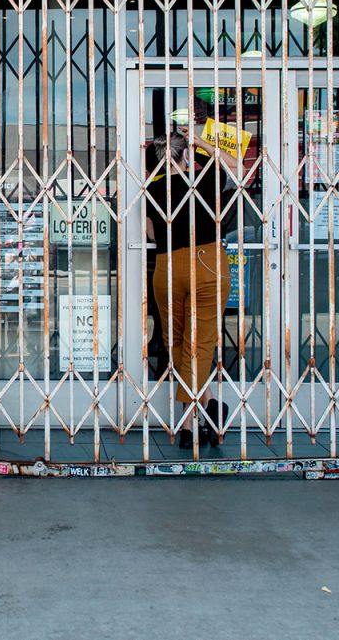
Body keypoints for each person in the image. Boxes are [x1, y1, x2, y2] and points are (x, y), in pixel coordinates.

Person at [145, 121, 232, 449]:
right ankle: (203, 409)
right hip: (207, 261)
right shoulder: (205, 179)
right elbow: (236, 167)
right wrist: (201, 144)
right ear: (186, 157)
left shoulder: (154, 189)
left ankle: (194, 413)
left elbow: (150, 234)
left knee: (177, 341)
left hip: (168, 266)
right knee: (201, 341)